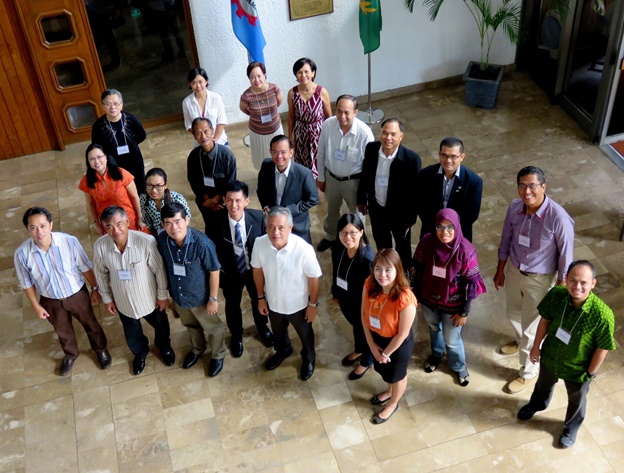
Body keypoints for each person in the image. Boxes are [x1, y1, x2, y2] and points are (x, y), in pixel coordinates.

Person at [517, 260, 616, 449]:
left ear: (593, 283)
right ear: (566, 279)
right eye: (572, 280)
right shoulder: (557, 295)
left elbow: (602, 347)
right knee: (542, 385)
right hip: (551, 356)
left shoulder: (603, 315)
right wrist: (536, 346)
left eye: (584, 282)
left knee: (577, 400)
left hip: (578, 368)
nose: (577, 286)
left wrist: (590, 373)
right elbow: (545, 320)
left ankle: (570, 428)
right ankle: (536, 405)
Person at [494, 166, 574, 394]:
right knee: (513, 313)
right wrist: (501, 269)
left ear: (543, 187)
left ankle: (528, 372)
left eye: (532, 186)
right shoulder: (514, 207)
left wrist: (560, 289)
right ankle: (520, 342)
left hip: (540, 280)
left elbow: (566, 257)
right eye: (522, 185)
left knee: (532, 328)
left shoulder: (558, 218)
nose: (526, 191)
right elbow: (506, 239)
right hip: (514, 271)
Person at [14, 207, 110, 376]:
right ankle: (71, 354)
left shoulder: (69, 241)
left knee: (91, 324)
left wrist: (95, 289)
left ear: (50, 225)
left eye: (43, 226)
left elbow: (85, 267)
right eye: (33, 227)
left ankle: (100, 349)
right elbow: (27, 283)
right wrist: (36, 306)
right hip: (50, 300)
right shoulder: (22, 254)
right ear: (27, 229)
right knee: (62, 330)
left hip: (77, 294)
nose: (39, 232)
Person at [93, 206, 174, 376]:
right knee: (132, 332)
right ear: (104, 228)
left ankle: (164, 347)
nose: (115, 230)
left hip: (150, 298)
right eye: (109, 227)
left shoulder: (146, 242)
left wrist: (162, 295)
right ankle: (140, 353)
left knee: (161, 325)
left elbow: (159, 270)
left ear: (128, 222)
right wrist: (107, 298)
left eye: (119, 224)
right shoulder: (100, 246)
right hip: (123, 300)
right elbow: (100, 272)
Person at [410, 209, 486, 387]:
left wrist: (464, 313)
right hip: (429, 300)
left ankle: (458, 366)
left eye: (450, 227)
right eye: (440, 227)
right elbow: (416, 267)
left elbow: (471, 284)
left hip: (454, 306)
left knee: (452, 338)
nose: (445, 232)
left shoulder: (465, 251)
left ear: (457, 227)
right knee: (434, 328)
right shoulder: (427, 243)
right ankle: (437, 354)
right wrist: (413, 292)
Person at [251, 206, 322, 381]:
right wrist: (261, 298)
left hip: (298, 305)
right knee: (278, 333)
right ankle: (283, 350)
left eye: (281, 227)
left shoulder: (303, 249)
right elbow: (257, 270)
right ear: (266, 227)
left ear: (290, 228)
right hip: (273, 303)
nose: (276, 232)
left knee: (305, 335)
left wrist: (312, 305)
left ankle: (309, 357)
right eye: (271, 227)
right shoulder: (260, 243)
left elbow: (314, 278)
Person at [157, 202, 227, 377]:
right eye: (168, 223)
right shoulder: (163, 241)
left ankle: (218, 354)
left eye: (178, 221)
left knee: (213, 328)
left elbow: (214, 270)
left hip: (201, 297)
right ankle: (197, 349)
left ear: (187, 220)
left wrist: (213, 299)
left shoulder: (202, 243)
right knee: (190, 325)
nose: (174, 228)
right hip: (180, 297)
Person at [214, 181, 274, 357]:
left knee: (259, 300)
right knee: (232, 306)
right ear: (224, 200)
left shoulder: (258, 218)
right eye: (230, 200)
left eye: (238, 200)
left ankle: (262, 327)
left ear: (246, 201)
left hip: (254, 270)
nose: (234, 205)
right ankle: (236, 336)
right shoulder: (216, 223)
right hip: (231, 273)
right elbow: (213, 251)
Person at [357, 118, 421, 269]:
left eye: (393, 134)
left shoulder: (411, 159)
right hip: (377, 209)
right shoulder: (371, 149)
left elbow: (415, 192)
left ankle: (403, 276)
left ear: (401, 137)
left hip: (400, 215)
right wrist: (361, 198)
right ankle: (385, 272)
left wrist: (411, 218)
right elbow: (365, 175)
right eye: (385, 133)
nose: (388, 138)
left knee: (403, 248)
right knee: (383, 246)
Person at [362, 249, 417, 424]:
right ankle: (388, 391)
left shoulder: (405, 298)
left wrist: (385, 354)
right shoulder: (369, 283)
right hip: (377, 339)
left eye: (388, 270)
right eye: (378, 268)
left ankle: (393, 403)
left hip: (397, 345)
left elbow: (402, 334)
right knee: (386, 373)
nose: (382, 275)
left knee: (397, 375)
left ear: (397, 270)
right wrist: (372, 346)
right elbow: (363, 315)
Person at [316, 95, 374, 252]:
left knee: (357, 215)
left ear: (356, 112)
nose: (342, 116)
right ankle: (330, 237)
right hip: (332, 178)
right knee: (332, 210)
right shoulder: (328, 125)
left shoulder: (365, 133)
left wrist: (365, 192)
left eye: (347, 112)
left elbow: (369, 167)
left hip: (354, 182)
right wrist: (321, 177)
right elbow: (320, 152)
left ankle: (359, 243)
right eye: (339, 111)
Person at [331, 213, 375, 380]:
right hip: (346, 299)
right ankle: (359, 349)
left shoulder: (368, 259)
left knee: (366, 331)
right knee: (356, 327)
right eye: (343, 232)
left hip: (362, 305)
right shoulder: (339, 249)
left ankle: (366, 360)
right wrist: (335, 292)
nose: (347, 237)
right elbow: (336, 272)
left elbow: (373, 291)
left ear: (361, 232)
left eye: (352, 232)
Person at [417, 137, 483, 242]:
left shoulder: (473, 182)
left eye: (453, 157)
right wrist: (438, 229)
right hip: (431, 232)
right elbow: (421, 206)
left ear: (462, 157)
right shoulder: (426, 175)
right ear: (439, 154)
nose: (448, 161)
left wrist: (448, 231)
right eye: (444, 155)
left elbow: (471, 215)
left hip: (459, 235)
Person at [257, 135, 319, 243]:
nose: (279, 156)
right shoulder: (266, 165)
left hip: (297, 224)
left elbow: (313, 198)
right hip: (274, 222)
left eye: (283, 152)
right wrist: (266, 206)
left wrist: (289, 211)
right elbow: (261, 190)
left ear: (291, 152)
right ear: (270, 152)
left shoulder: (304, 173)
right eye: (275, 152)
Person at [186, 117, 237, 242]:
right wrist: (207, 200)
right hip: (205, 202)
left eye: (206, 131)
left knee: (227, 231)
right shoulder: (193, 157)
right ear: (194, 136)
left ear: (212, 131)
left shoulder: (226, 156)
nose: (203, 136)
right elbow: (193, 181)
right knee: (211, 230)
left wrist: (216, 200)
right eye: (198, 133)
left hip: (223, 202)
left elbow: (231, 183)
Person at [79, 143, 146, 234]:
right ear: (88, 162)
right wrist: (96, 224)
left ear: (106, 157)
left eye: (99, 157)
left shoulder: (122, 174)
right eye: (92, 159)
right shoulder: (86, 181)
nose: (97, 161)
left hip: (128, 220)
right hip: (108, 225)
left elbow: (135, 197)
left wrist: (140, 218)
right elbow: (91, 204)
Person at [92, 89, 147, 195]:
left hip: (134, 160)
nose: (112, 107)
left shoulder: (130, 119)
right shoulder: (98, 126)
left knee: (140, 189)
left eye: (116, 103)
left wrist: (132, 144)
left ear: (121, 105)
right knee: (121, 192)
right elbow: (97, 147)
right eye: (108, 104)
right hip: (114, 164)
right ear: (103, 106)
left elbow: (142, 135)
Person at [287, 58, 331, 179]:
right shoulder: (292, 93)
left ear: (313, 73)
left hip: (319, 133)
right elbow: (291, 117)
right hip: (301, 134)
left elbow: (329, 117)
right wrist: (290, 137)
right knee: (302, 164)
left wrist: (330, 137)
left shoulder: (322, 92)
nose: (303, 75)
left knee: (320, 161)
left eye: (306, 71)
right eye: (299, 72)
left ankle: (320, 186)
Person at [239, 62, 284, 170]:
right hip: (258, 133)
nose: (256, 80)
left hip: (275, 130)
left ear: (264, 75)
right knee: (262, 160)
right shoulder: (246, 95)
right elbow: (243, 108)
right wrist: (255, 115)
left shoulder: (274, 88)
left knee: (279, 156)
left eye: (259, 76)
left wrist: (269, 112)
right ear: (249, 79)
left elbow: (279, 102)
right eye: (252, 77)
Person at [182, 67, 228, 146]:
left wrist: (214, 141)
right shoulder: (186, 102)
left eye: (200, 82)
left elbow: (222, 121)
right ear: (189, 84)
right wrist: (202, 138)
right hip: (200, 144)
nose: (198, 86)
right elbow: (189, 125)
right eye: (194, 83)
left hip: (219, 141)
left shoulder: (216, 98)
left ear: (206, 81)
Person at [141, 167, 192, 236]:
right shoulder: (144, 199)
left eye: (158, 186)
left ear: (165, 185)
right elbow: (148, 225)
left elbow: (186, 222)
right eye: (149, 185)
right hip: (160, 234)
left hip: (177, 232)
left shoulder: (177, 199)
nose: (154, 190)